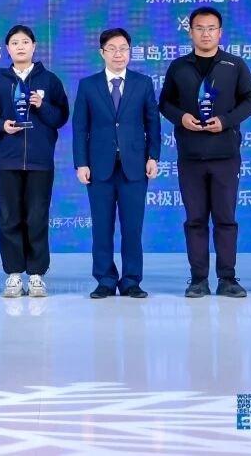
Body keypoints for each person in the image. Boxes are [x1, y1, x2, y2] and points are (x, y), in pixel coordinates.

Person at [159, 6, 251, 299]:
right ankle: (198, 279)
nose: (206, 33)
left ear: (220, 32)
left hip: (225, 154)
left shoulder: (234, 65)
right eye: (200, 28)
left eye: (211, 28)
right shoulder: (179, 66)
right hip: (190, 155)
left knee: (226, 218)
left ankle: (227, 278)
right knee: (195, 220)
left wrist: (225, 121)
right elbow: (165, 103)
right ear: (190, 32)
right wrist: (182, 118)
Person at [0, 25, 70, 298]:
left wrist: (42, 105)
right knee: (9, 217)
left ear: (34, 46)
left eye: (25, 42)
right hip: (7, 161)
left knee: (37, 217)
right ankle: (13, 274)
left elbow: (61, 117)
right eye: (15, 43)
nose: (20, 47)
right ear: (7, 49)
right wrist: (1, 126)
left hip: (40, 162)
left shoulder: (49, 81)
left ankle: (37, 274)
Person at [72, 28, 161, 299]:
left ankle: (131, 280)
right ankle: (105, 279)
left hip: (135, 166)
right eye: (112, 49)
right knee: (102, 227)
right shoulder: (88, 85)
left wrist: (153, 157)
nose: (118, 54)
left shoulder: (143, 83)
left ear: (130, 52)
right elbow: (80, 128)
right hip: (99, 167)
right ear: (102, 53)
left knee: (132, 228)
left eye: (123, 48)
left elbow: (153, 123)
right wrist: (81, 163)